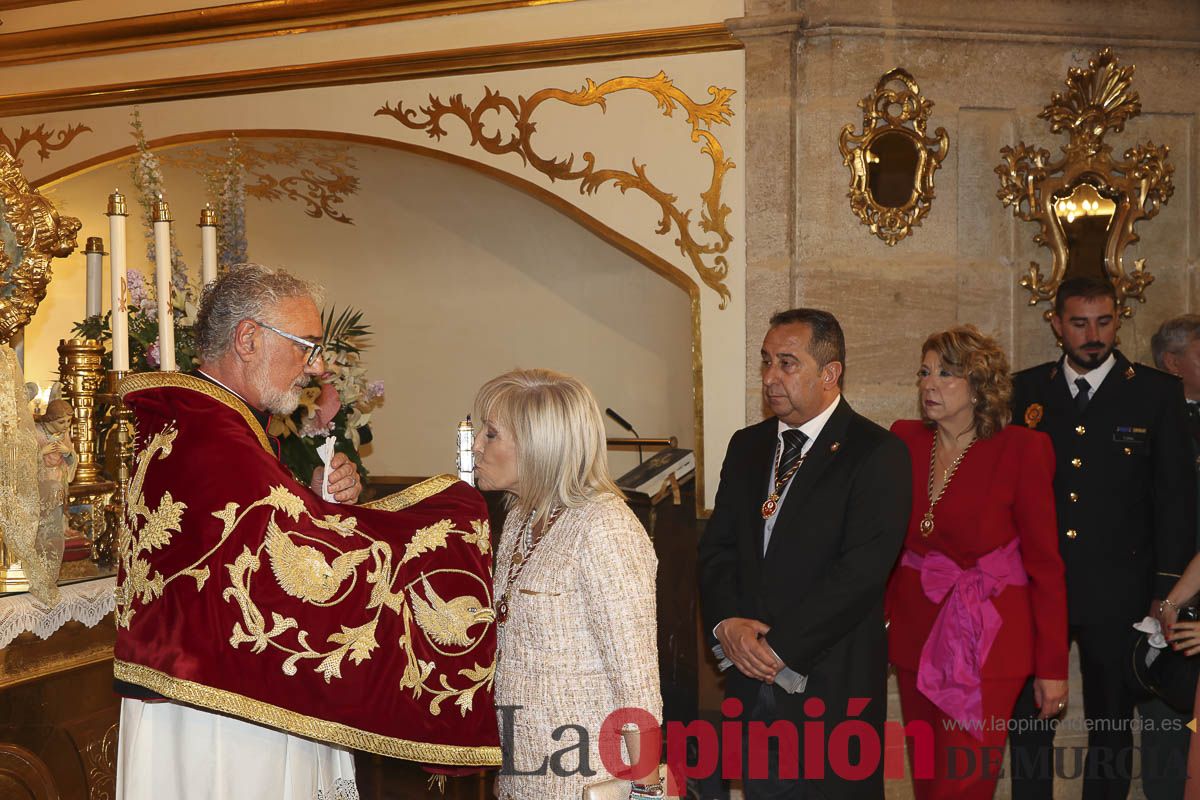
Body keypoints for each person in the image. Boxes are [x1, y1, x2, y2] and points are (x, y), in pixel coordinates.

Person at [114, 264, 501, 799]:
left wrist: (313, 498)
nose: (318, 367)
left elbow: (251, 540)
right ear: (248, 339)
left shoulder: (207, 421)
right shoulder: (214, 436)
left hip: (224, 692)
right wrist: (451, 515)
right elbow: (279, 568)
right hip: (221, 717)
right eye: (305, 346)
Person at [698, 308, 912, 799]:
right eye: (766, 362)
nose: (771, 378)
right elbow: (718, 549)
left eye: (787, 363)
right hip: (753, 686)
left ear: (829, 373)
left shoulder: (876, 452)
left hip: (831, 688)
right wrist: (726, 625)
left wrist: (778, 648)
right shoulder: (748, 446)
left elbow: (861, 573)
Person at [1007, 277, 1196, 800]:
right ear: (1056, 323)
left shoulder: (1156, 392)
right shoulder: (1026, 391)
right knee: (1030, 723)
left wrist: (1165, 590)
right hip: (1036, 587)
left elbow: (1176, 500)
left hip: (1120, 588)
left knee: (1111, 726)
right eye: (1079, 323)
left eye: (1105, 321)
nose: (1094, 335)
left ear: (1118, 319)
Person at [887, 326, 1068, 799]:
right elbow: (886, 548)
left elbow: (1046, 565)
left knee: (963, 784)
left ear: (980, 385)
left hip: (989, 643)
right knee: (927, 781)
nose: (930, 384)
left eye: (946, 374)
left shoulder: (1023, 450)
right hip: (915, 636)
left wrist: (1052, 668)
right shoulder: (903, 441)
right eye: (924, 372)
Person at [472, 368, 663, 800]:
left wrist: (647, 793)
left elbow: (637, 683)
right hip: (522, 771)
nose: (477, 446)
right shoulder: (522, 514)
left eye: (491, 434)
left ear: (539, 445)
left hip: (586, 777)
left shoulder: (605, 526)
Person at [1138, 314, 1200, 798]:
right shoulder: (1144, 421)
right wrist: (1166, 598)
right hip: (1163, 601)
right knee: (1166, 739)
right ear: (1172, 363)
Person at [33, 397, 77, 593]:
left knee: (55, 530)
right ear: (49, 419)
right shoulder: (35, 432)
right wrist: (41, 452)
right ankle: (39, 572)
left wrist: (67, 452)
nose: (66, 426)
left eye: (69, 421)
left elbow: (71, 459)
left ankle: (52, 571)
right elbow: (21, 460)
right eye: (61, 422)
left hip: (58, 486)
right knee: (41, 530)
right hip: (40, 489)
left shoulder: (63, 434)